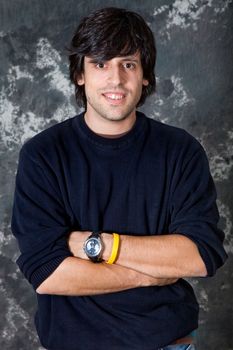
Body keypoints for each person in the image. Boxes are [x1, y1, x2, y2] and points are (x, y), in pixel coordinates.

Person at [11, 7, 227, 350]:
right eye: (101, 64)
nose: (116, 79)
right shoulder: (43, 155)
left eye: (128, 64)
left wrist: (97, 245)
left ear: (144, 75)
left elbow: (200, 255)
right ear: (80, 74)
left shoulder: (181, 151)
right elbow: (48, 274)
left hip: (169, 344)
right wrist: (148, 273)